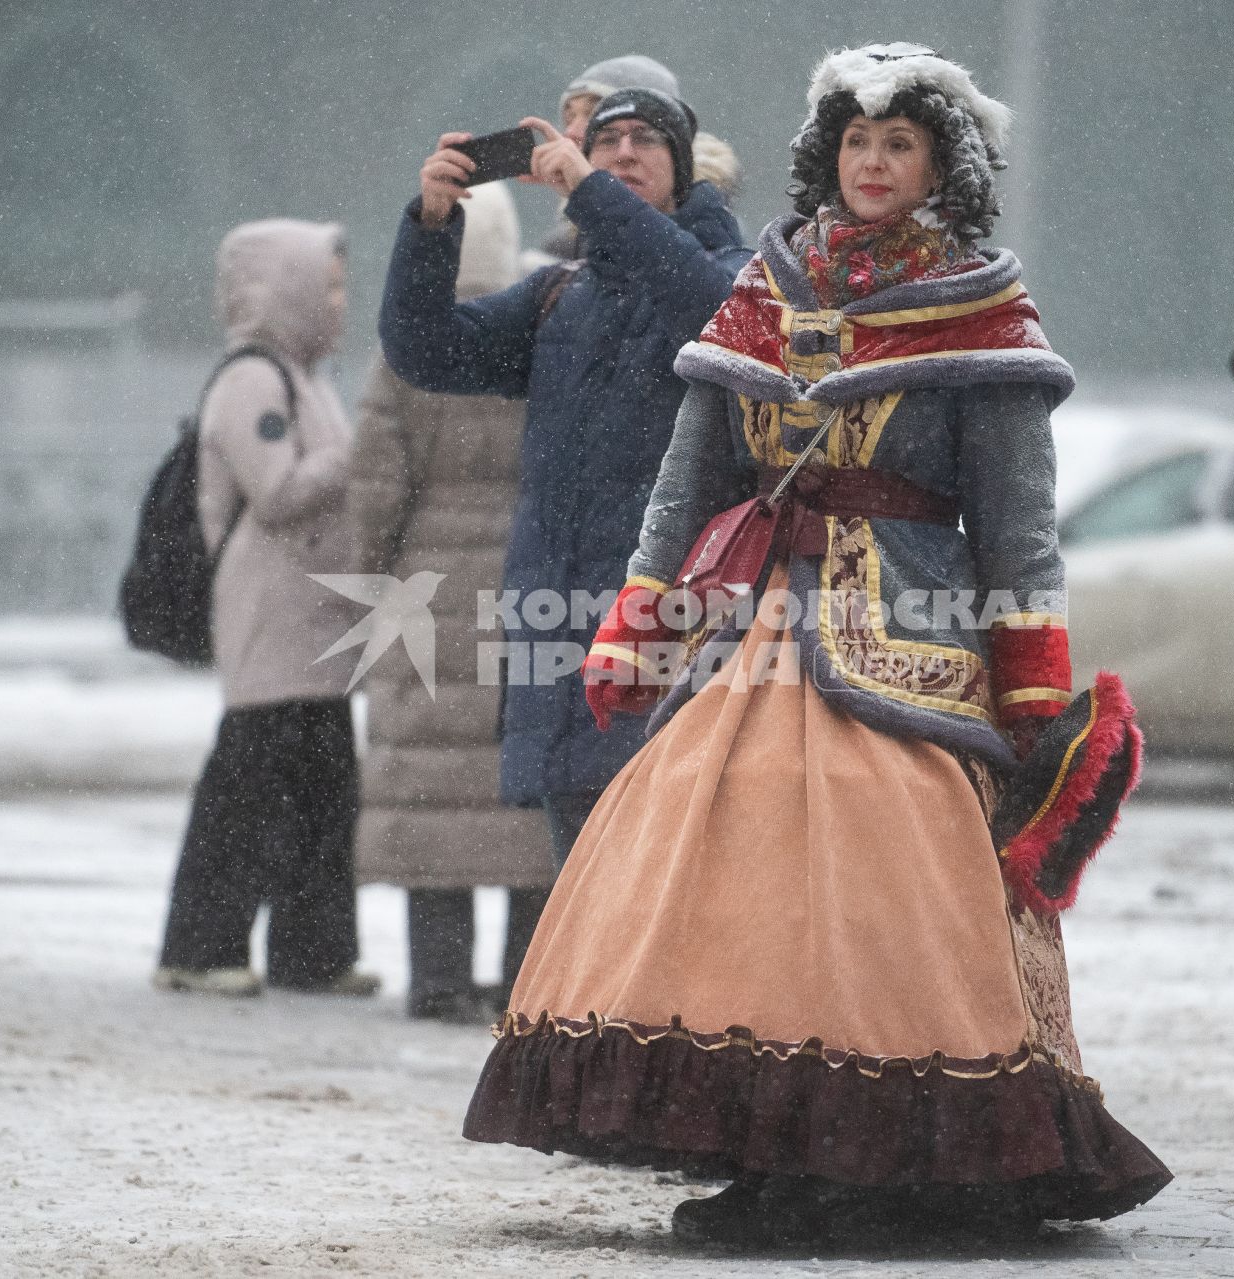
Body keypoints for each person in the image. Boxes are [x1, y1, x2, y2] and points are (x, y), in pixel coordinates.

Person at [461, 44, 1169, 1249]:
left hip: (914, 635)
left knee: (890, 883)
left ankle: (881, 1160)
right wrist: (641, 624)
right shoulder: (764, 288)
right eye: (857, 143)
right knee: (736, 874)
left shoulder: (982, 304)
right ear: (826, 156)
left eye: (900, 145)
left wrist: (1033, 680)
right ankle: (771, 1153)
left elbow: (1016, 522)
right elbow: (689, 482)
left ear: (942, 165)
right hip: (761, 631)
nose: (875, 163)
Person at [379, 86, 750, 874]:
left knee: (671, 894)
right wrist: (434, 226)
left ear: (684, 170)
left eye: (644, 140)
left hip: (679, 636)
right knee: (584, 892)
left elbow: (709, 311)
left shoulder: (736, 277)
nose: (621, 154)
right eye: (604, 140)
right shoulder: (561, 295)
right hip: (562, 642)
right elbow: (426, 351)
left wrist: (592, 195)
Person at [154, 219, 380, 1000]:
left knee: (322, 790)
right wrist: (358, 454)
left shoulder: (306, 376)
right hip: (266, 621)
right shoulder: (252, 380)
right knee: (247, 789)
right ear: (286, 292)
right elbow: (278, 491)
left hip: (311, 624)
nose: (341, 303)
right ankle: (201, 944)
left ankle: (314, 951)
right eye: (328, 287)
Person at [350, 185, 555, 1023]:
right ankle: (522, 981)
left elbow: (371, 492)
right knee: (519, 802)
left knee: (435, 793)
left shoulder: (405, 350)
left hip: (427, 589)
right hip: (528, 579)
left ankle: (437, 979)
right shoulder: (537, 336)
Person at [544, 56, 742, 258]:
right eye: (570, 118)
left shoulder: (714, 237)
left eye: (592, 114)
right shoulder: (564, 248)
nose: (570, 133)